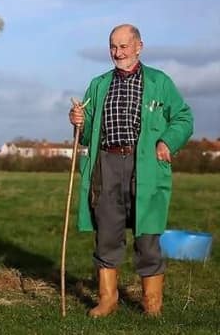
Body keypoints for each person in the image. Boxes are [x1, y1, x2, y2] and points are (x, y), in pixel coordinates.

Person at [69, 24, 193, 318]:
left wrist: (167, 141)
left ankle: (152, 304)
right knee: (107, 234)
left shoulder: (160, 82)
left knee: (147, 235)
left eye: (124, 46)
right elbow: (86, 136)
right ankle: (107, 299)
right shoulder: (98, 85)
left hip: (145, 166)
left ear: (139, 46)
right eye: (113, 46)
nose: (117, 52)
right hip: (106, 165)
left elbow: (184, 118)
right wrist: (78, 121)